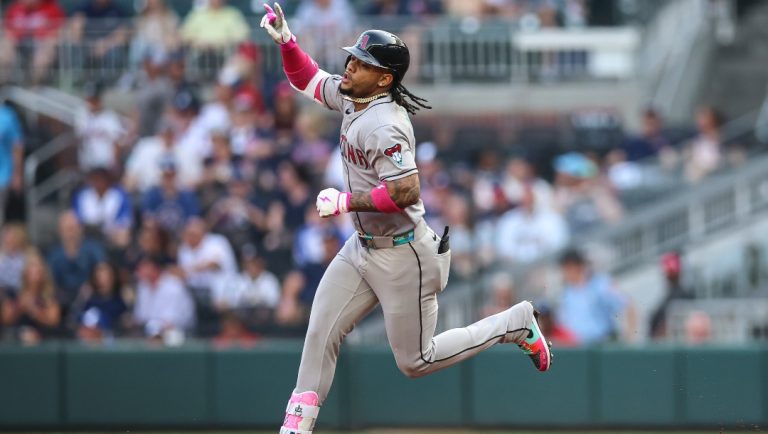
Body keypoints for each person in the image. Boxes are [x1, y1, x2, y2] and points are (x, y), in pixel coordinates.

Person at [259, 5, 552, 433]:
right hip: (362, 247)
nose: (349, 66)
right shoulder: (353, 92)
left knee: (416, 361)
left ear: (384, 79)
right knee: (321, 331)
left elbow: (405, 192)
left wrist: (344, 203)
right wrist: (288, 41)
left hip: (404, 255)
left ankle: (515, 323)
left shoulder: (385, 123)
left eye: (362, 63)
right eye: (352, 58)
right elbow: (307, 79)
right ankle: (295, 427)